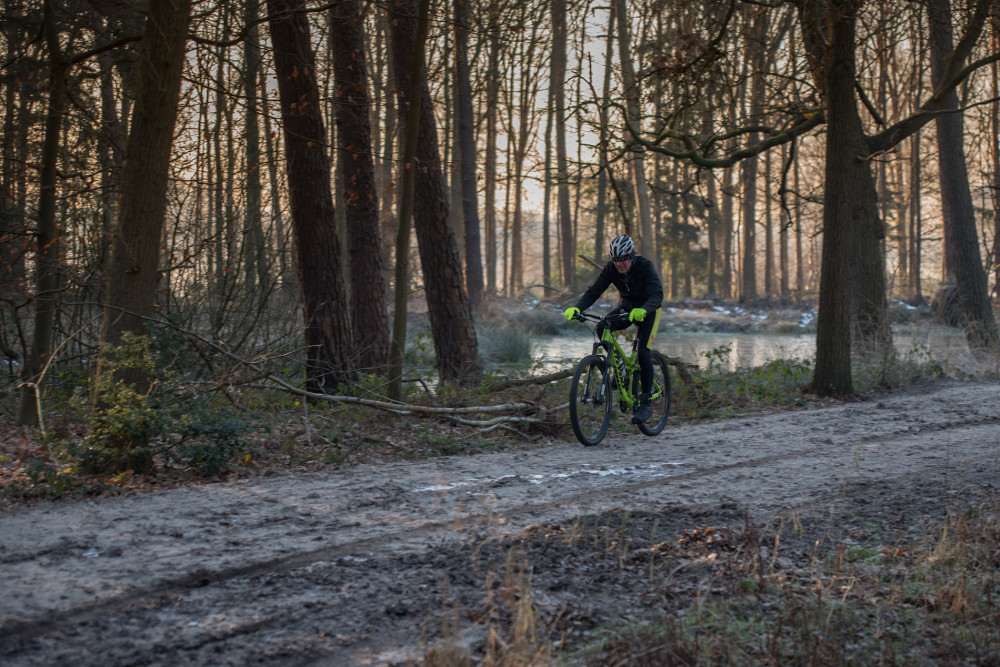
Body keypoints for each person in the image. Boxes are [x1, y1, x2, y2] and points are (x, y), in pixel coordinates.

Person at [563, 234, 663, 423]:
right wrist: (578, 307)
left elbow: (657, 294)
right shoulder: (612, 269)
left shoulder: (645, 266)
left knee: (643, 354)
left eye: (623, 259)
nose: (619, 264)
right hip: (627, 308)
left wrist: (644, 310)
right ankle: (621, 369)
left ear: (631, 256)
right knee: (603, 327)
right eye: (615, 260)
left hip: (649, 311)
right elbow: (594, 291)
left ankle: (647, 403)